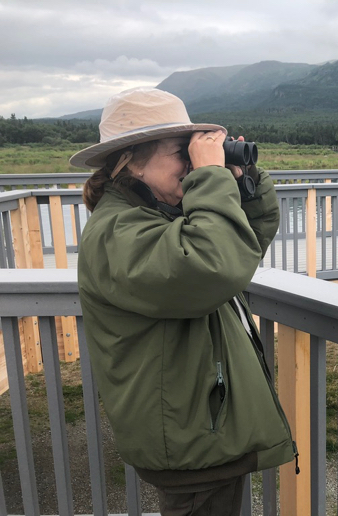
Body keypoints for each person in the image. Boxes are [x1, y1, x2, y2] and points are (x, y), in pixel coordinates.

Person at [71, 87, 295, 516]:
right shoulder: (117, 231)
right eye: (182, 153)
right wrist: (208, 178)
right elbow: (214, 267)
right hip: (190, 434)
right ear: (131, 161)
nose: (192, 165)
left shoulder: (153, 214)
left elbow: (239, 245)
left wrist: (240, 180)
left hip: (198, 424)